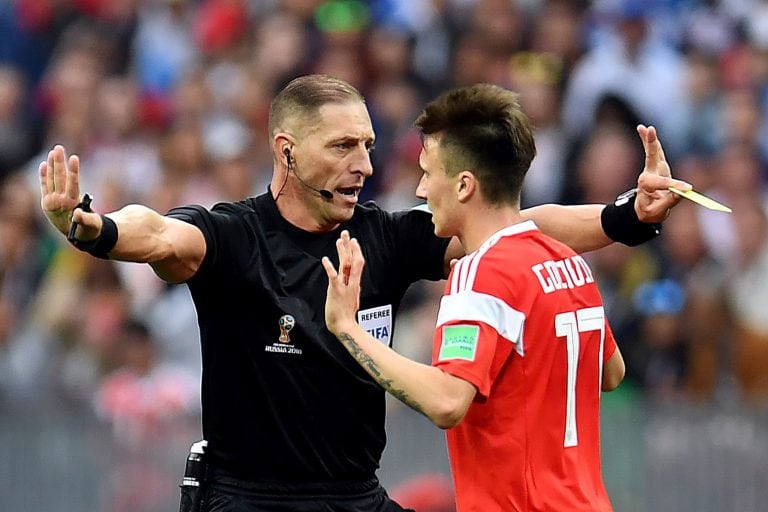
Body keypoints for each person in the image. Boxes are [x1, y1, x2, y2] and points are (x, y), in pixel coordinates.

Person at [39, 74, 685, 511]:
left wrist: (627, 217)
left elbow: (513, 227)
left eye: (370, 146)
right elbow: (156, 235)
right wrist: (90, 226)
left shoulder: (386, 236)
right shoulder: (233, 237)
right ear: (287, 151)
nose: (366, 165)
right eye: (344, 146)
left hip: (355, 494)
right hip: (252, 498)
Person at [323, 83, 676, 511]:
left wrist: (348, 330)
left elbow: (447, 401)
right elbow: (610, 372)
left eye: (428, 173)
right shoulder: (567, 261)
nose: (420, 190)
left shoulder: (479, 272)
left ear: (464, 185)